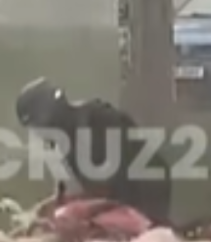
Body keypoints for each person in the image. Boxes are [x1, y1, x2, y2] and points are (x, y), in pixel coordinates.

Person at [15, 77, 173, 227]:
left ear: (47, 117)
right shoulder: (70, 135)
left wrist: (64, 210)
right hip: (129, 195)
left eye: (37, 128)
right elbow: (72, 192)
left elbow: (105, 189)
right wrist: (40, 210)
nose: (37, 134)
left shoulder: (95, 121)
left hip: (143, 193)